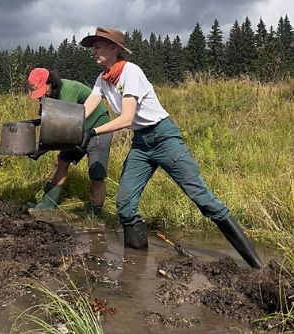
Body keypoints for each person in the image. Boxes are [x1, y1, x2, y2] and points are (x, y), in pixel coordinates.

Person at [78, 27, 263, 268]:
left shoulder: (131, 72)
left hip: (164, 138)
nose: (94, 51)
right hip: (141, 145)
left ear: (114, 49)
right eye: (92, 47)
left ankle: (256, 264)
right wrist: (63, 125)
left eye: (98, 46)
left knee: (203, 199)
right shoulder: (102, 80)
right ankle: (135, 268)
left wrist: (93, 132)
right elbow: (84, 111)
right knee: (124, 206)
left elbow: (126, 119)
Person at [26, 68, 113, 216]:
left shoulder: (67, 91)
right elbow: (51, 120)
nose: (42, 96)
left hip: (97, 128)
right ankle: (47, 205)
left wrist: (40, 150)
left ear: (51, 83)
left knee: (96, 174)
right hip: (76, 130)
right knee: (61, 163)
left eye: (43, 91)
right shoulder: (49, 96)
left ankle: (95, 215)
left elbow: (64, 125)